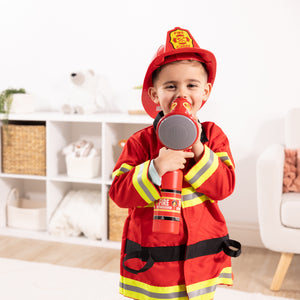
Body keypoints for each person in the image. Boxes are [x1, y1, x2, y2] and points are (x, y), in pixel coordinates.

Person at [109, 27, 241, 300]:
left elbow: (225, 186)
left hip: (200, 260)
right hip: (154, 261)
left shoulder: (213, 137)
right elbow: (119, 193)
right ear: (155, 95)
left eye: (191, 85)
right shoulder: (140, 142)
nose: (182, 95)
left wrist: (197, 147)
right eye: (171, 86)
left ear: (205, 92)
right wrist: (155, 168)